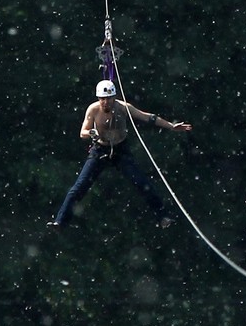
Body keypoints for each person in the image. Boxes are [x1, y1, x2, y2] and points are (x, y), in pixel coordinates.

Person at [49, 79, 194, 228]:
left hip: (120, 151)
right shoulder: (93, 109)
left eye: (109, 99)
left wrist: (170, 126)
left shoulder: (124, 108)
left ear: (114, 97)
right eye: (102, 99)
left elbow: (148, 117)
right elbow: (83, 132)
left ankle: (163, 217)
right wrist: (92, 132)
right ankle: (60, 221)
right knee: (78, 188)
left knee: (143, 184)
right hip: (100, 150)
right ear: (99, 99)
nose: (106, 102)